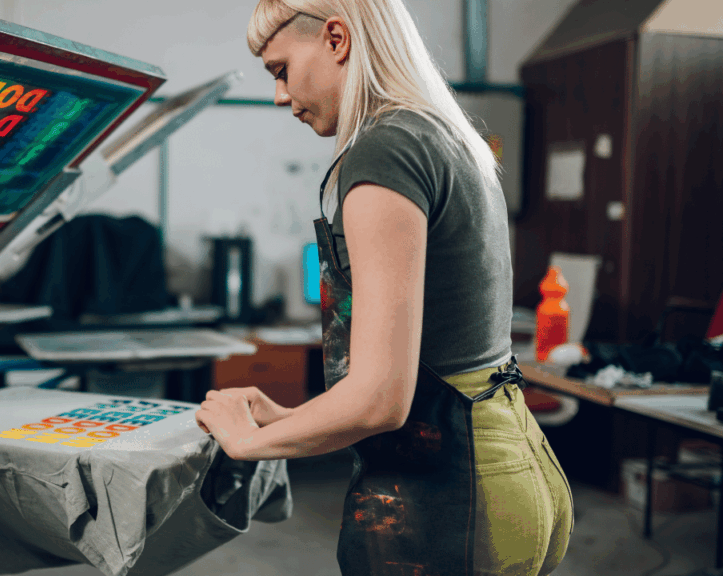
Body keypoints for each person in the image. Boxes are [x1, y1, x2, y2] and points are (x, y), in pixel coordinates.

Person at [193, 1, 573, 575]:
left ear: (337, 39)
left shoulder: (382, 149)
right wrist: (285, 416)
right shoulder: (444, 134)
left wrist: (247, 441)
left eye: (280, 70)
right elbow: (429, 359)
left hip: (455, 496)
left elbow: (380, 400)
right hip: (514, 467)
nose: (278, 95)